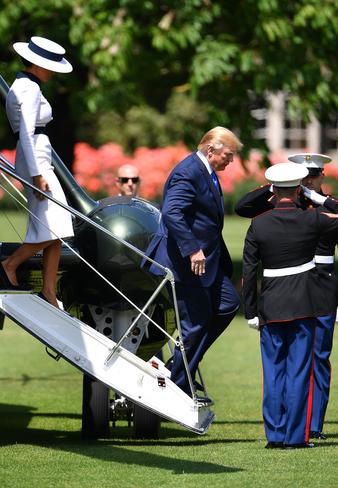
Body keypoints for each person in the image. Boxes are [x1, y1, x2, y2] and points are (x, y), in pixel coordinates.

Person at [235, 153, 338, 439]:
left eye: (312, 175)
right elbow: (242, 206)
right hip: (299, 293)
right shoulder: (304, 213)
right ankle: (297, 430)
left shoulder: (318, 209)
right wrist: (277, 187)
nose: (308, 180)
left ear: (320, 177)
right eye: (302, 177)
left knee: (316, 360)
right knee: (300, 366)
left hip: (321, 289)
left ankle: (309, 426)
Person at [145, 127, 243, 404]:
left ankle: (179, 369)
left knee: (227, 304)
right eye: (228, 155)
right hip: (186, 263)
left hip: (207, 263)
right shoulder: (189, 171)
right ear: (211, 150)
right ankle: (177, 385)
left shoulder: (206, 171)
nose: (231, 161)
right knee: (196, 325)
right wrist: (193, 250)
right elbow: (172, 212)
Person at [1, 36, 74, 308]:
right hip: (36, 162)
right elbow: (28, 136)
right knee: (56, 224)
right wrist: (36, 174)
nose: (53, 70)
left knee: (58, 226)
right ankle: (11, 264)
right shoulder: (28, 89)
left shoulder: (26, 86)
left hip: (38, 159)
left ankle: (49, 290)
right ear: (37, 64)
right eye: (50, 65)